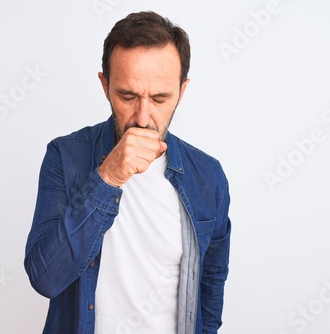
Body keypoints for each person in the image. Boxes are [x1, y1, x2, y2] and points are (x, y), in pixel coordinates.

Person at [24, 11, 231, 334]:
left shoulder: (208, 176)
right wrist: (107, 178)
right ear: (105, 86)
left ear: (182, 90)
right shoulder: (65, 157)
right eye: (128, 96)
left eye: (160, 98)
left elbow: (210, 285)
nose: (143, 117)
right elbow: (45, 278)